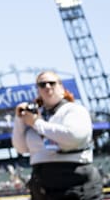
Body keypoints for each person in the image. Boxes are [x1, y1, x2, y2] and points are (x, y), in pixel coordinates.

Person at [12, 71, 102, 199]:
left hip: (76, 180)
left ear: (61, 87)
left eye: (52, 83)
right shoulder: (34, 115)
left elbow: (73, 137)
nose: (47, 87)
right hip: (43, 184)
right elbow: (20, 148)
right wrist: (19, 119)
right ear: (38, 90)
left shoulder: (74, 110)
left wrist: (37, 123)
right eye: (42, 84)